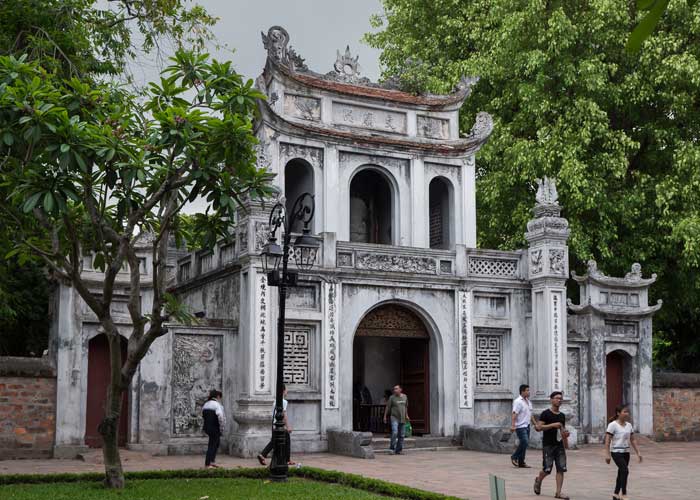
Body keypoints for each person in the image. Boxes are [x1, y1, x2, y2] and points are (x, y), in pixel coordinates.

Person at [534, 391, 570, 499]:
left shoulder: (562, 416)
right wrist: (553, 425)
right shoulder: (545, 413)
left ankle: (558, 493)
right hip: (548, 445)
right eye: (557, 398)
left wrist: (566, 438)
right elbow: (538, 428)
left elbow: (562, 431)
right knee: (547, 469)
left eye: (560, 398)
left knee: (561, 468)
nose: (559, 400)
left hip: (559, 445)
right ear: (551, 399)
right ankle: (539, 479)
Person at [604, 404, 642, 500]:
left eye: (627, 412)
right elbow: (607, 441)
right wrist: (607, 454)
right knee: (625, 470)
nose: (627, 414)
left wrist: (638, 452)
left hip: (626, 452)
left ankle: (616, 494)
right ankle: (624, 494)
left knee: (621, 472)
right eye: (624, 412)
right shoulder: (612, 425)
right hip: (616, 452)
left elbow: (633, 440)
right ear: (618, 413)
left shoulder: (629, 425)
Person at [257, 384, 294, 466]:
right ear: (283, 391)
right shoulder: (284, 402)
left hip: (274, 424)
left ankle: (262, 455)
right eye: (286, 390)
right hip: (280, 425)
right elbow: (284, 414)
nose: (287, 391)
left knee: (273, 442)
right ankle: (287, 460)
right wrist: (288, 427)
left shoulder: (275, 401)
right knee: (286, 440)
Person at [510, 384, 537, 468]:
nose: (529, 392)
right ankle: (514, 456)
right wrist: (513, 425)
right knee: (524, 441)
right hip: (520, 426)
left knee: (525, 443)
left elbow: (530, 414)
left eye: (529, 390)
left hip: (527, 425)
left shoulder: (528, 402)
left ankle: (521, 462)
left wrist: (535, 424)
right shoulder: (518, 401)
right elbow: (514, 413)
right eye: (527, 390)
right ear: (522, 391)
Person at [202, 389, 226, 469]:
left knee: (216, 443)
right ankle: (207, 464)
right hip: (215, 428)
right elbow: (221, 417)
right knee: (212, 445)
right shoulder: (217, 405)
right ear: (218, 396)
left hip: (207, 428)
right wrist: (222, 428)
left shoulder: (205, 404)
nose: (220, 399)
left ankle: (212, 461)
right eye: (220, 397)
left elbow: (203, 416)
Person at [383, 384, 409, 455]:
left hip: (402, 418)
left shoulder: (405, 397)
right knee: (395, 432)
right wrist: (385, 416)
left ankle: (399, 450)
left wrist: (406, 415)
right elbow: (388, 407)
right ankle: (391, 448)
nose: (395, 390)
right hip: (394, 417)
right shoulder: (392, 397)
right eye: (394, 389)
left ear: (400, 389)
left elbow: (406, 407)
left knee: (402, 435)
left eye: (396, 389)